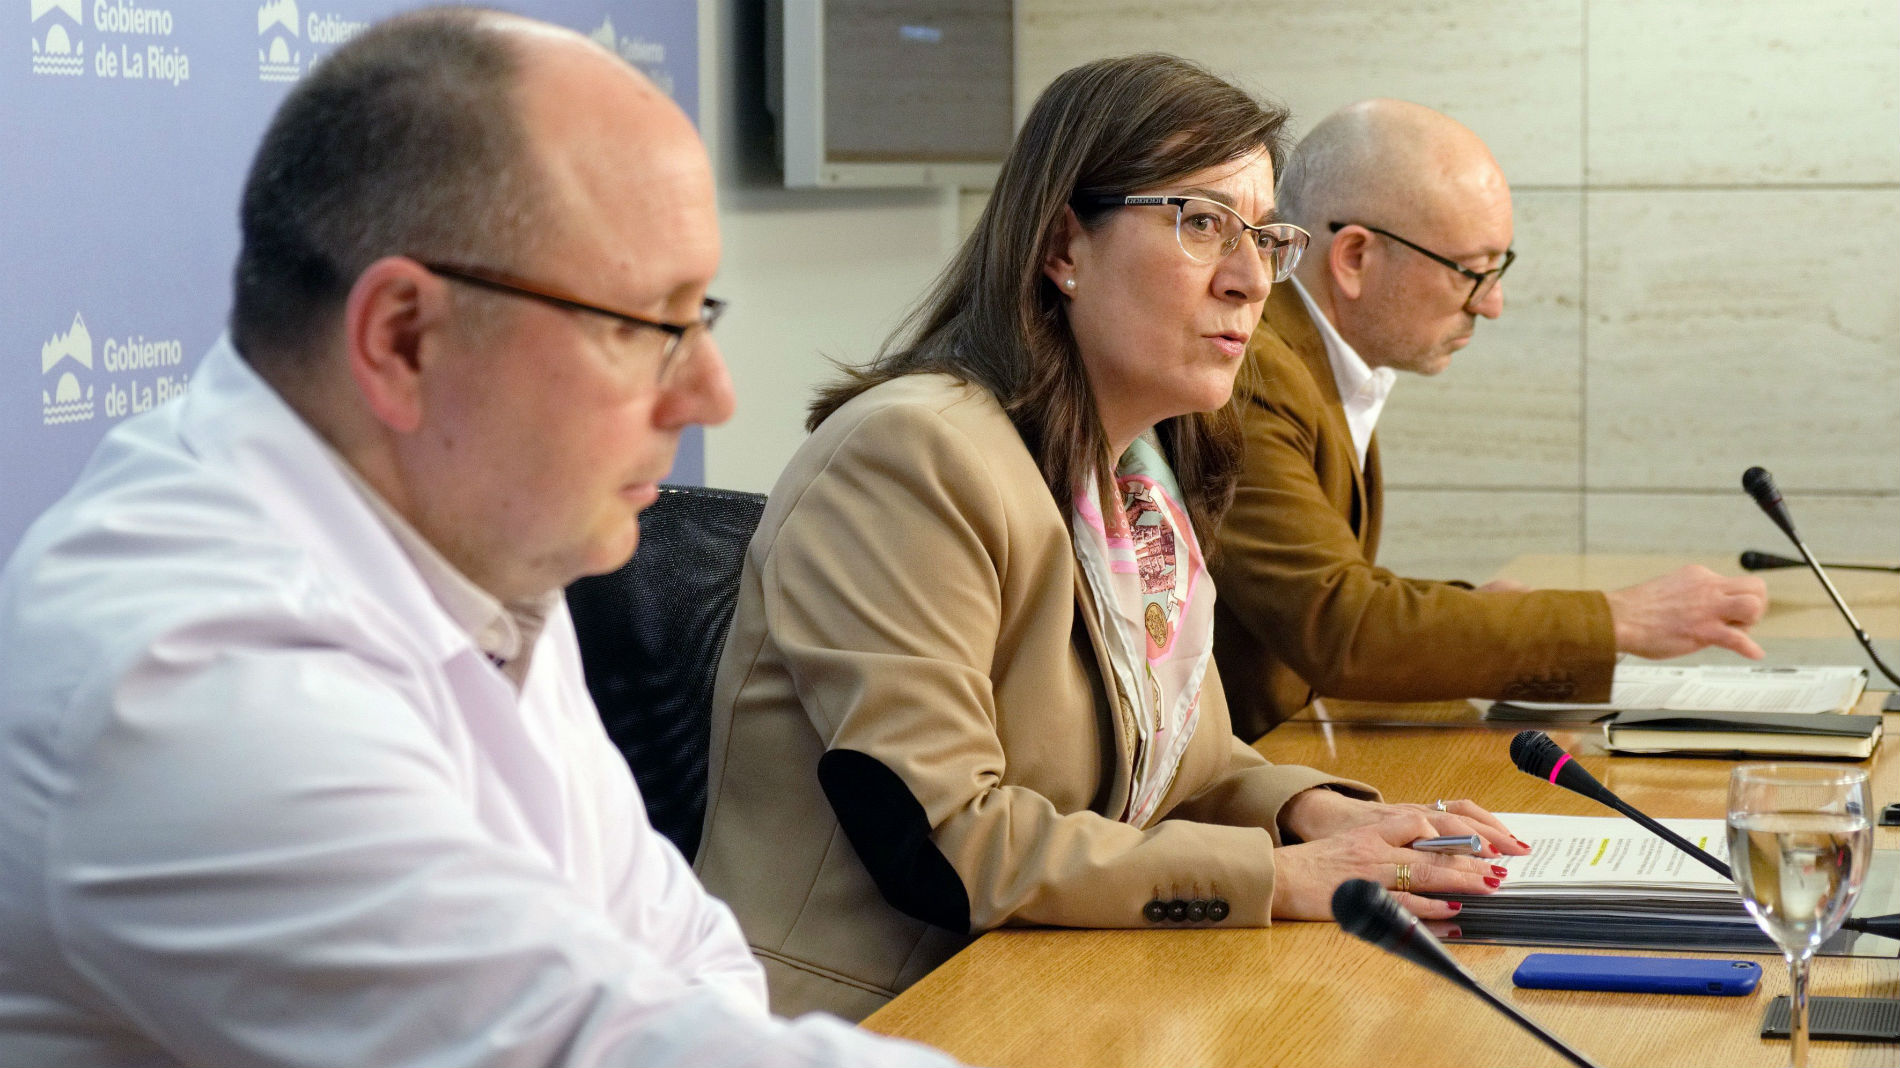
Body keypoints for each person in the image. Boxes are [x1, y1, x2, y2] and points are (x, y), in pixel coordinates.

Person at [0, 9, 953, 1065]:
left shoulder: (471, 545)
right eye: (643, 325)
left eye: (703, 317)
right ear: (405, 339)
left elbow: (682, 961)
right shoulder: (186, 681)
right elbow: (601, 1045)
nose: (710, 397)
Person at [694, 54, 1525, 1023]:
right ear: (1062, 246)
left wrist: (1318, 813)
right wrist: (1280, 874)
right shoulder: (911, 457)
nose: (1250, 280)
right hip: (875, 1015)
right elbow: (953, 840)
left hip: (1048, 987)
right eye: (1203, 224)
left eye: (1265, 237)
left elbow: (1183, 767)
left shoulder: (1134, 473)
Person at [1210, 99, 1770, 740]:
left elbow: (1320, 593)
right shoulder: (1256, 372)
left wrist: (1477, 612)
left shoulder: (1308, 360)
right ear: (1356, 257)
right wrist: (1620, 619)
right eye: (1473, 272)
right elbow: (1341, 625)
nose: (1493, 304)